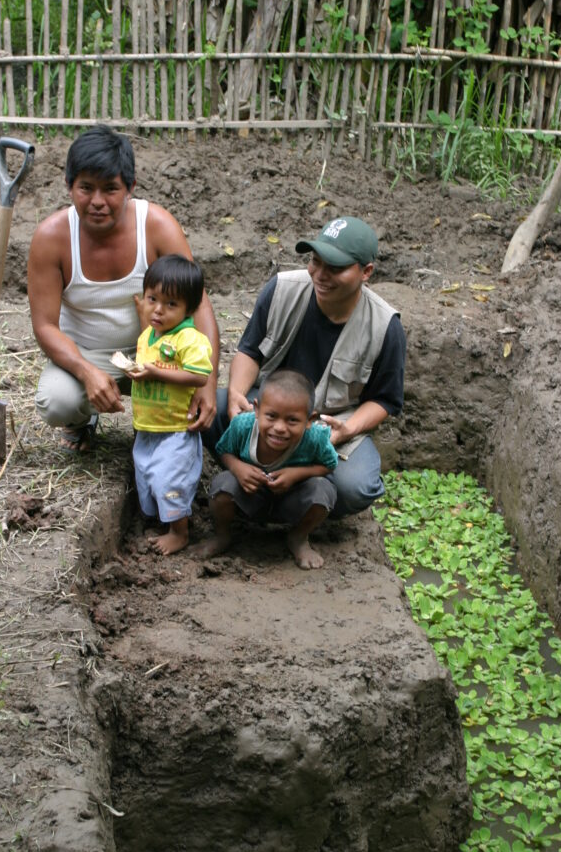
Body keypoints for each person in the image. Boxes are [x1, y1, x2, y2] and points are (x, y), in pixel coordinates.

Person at [28, 125, 219, 452]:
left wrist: (209, 382)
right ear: (69, 186)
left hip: (162, 350)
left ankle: (158, 427)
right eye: (86, 188)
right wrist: (86, 371)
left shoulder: (156, 226)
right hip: (89, 353)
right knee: (56, 401)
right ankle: (81, 423)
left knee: (189, 395)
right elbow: (44, 325)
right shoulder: (51, 238)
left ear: (130, 187)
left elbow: (199, 306)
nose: (97, 201)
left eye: (110, 189)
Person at [205, 215, 406, 518]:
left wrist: (346, 430)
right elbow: (249, 352)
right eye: (316, 261)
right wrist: (236, 393)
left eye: (335, 268)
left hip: (332, 422)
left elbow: (384, 400)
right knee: (208, 409)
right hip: (271, 407)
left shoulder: (385, 326)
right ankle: (250, 479)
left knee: (356, 487)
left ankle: (302, 500)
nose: (320, 275)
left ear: (366, 272)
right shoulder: (281, 289)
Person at [198, 370, 338, 569]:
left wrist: (296, 474)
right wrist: (238, 468)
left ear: (309, 420)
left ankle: (298, 537)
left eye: (292, 420)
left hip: (293, 500)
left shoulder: (315, 438)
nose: (280, 427)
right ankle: (222, 535)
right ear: (257, 409)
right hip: (250, 496)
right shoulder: (242, 426)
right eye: (271, 416)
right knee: (222, 485)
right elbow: (224, 451)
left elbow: (330, 464)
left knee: (323, 492)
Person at [128, 254, 213, 555]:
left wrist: (155, 372)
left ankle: (180, 532)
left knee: (170, 481)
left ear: (189, 309)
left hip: (177, 430)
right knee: (147, 477)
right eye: (153, 299)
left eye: (171, 304)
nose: (158, 310)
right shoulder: (148, 335)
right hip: (148, 428)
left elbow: (200, 376)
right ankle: (158, 521)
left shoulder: (190, 339)